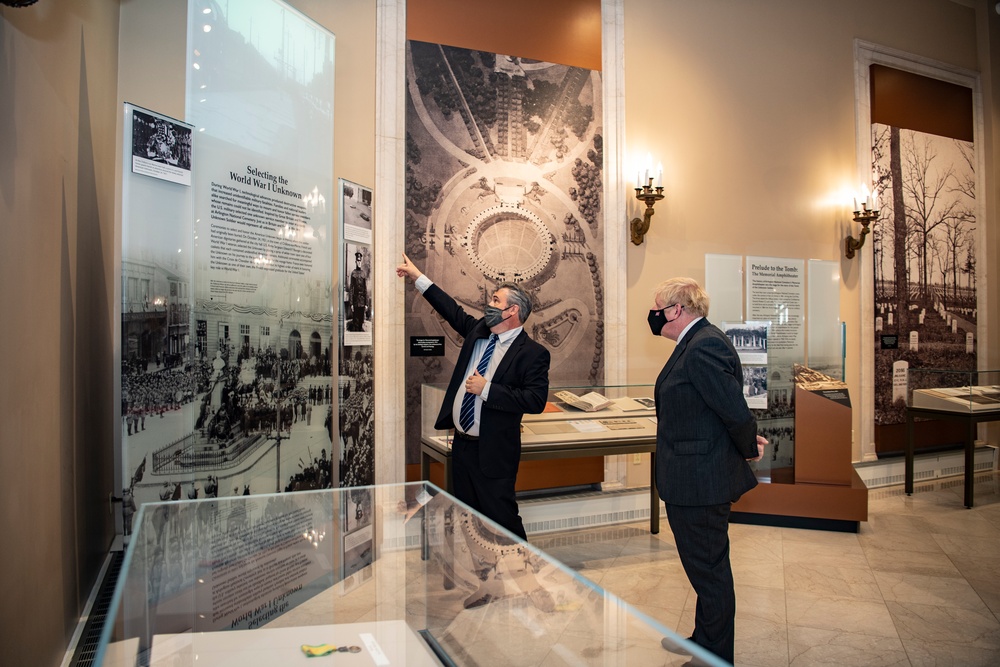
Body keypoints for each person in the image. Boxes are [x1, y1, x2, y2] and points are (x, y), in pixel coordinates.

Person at [648, 277, 766, 664]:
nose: (653, 316)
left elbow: (733, 408)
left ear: (676, 310)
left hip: (700, 481)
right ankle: (704, 639)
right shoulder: (696, 343)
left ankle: (715, 656)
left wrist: (748, 448)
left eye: (657, 309)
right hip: (690, 476)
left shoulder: (705, 345)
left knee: (710, 573)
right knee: (703, 570)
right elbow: (713, 408)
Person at [396, 253, 550, 539]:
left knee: (502, 521)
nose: (488, 305)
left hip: (494, 451)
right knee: (467, 517)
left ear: (512, 311)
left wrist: (487, 389)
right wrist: (419, 279)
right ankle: (480, 578)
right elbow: (451, 310)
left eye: (495, 301)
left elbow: (535, 400)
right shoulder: (479, 331)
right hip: (462, 447)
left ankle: (520, 575)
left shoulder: (533, 354)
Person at [348, 251, 369, 332]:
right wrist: (351, 304)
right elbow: (351, 289)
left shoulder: (363, 274)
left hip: (362, 302)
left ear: (361, 261)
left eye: (360, 261)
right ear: (355, 262)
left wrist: (366, 304)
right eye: (357, 261)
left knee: (361, 322)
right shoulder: (353, 273)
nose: (359, 262)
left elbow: (365, 289)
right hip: (356, 302)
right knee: (355, 323)